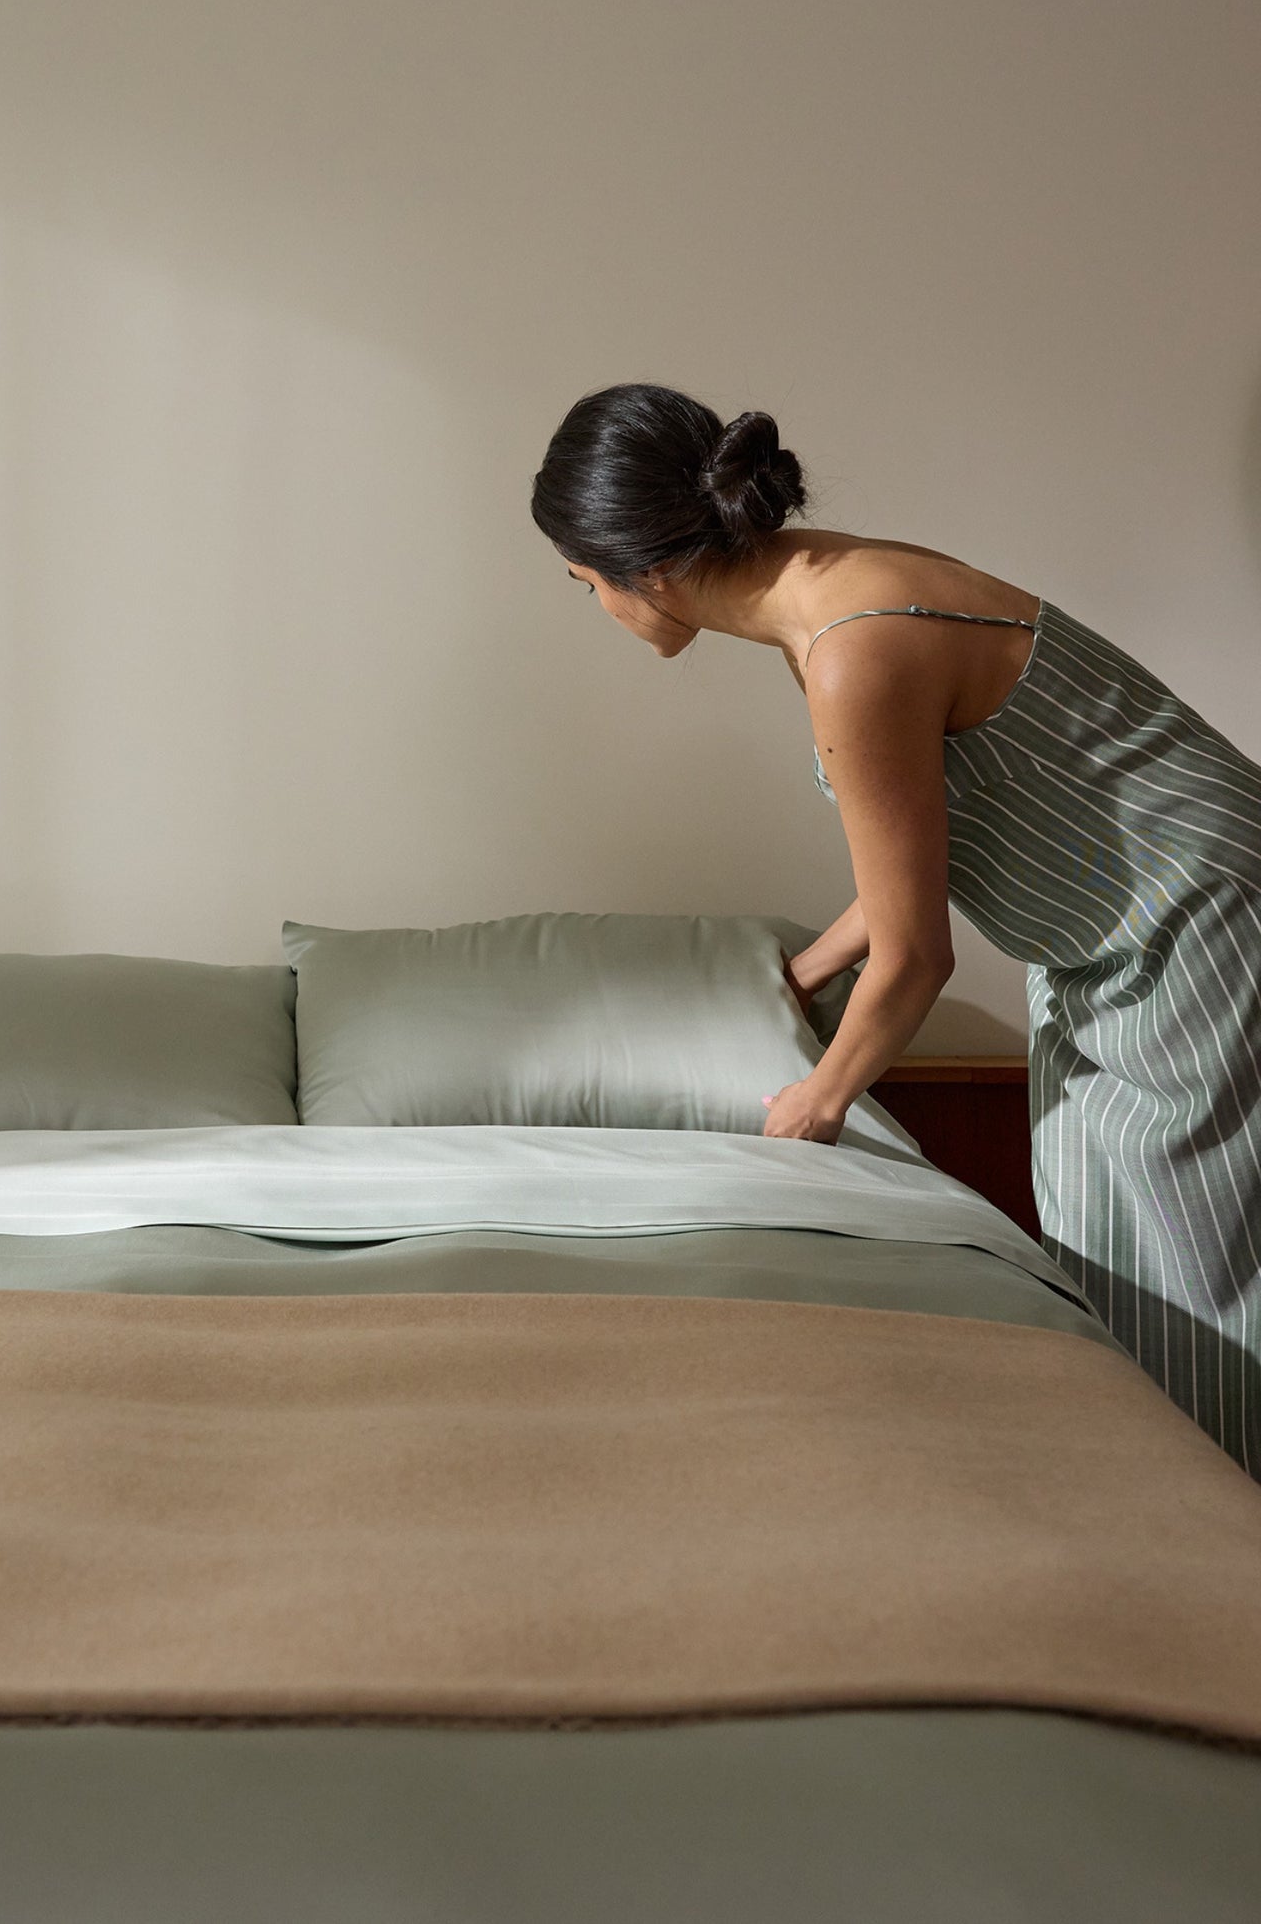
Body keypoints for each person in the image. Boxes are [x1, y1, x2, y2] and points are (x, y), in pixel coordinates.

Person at [530, 381, 1261, 1478]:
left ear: (643, 569)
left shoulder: (851, 648)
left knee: (1186, 1266)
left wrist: (816, 1102)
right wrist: (810, 968)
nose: (594, 604)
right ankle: (1176, 1514)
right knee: (1111, 1241)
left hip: (1194, 917)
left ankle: (1211, 1546)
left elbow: (920, 956)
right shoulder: (828, 587)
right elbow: (926, 844)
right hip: (1115, 932)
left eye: (581, 582)